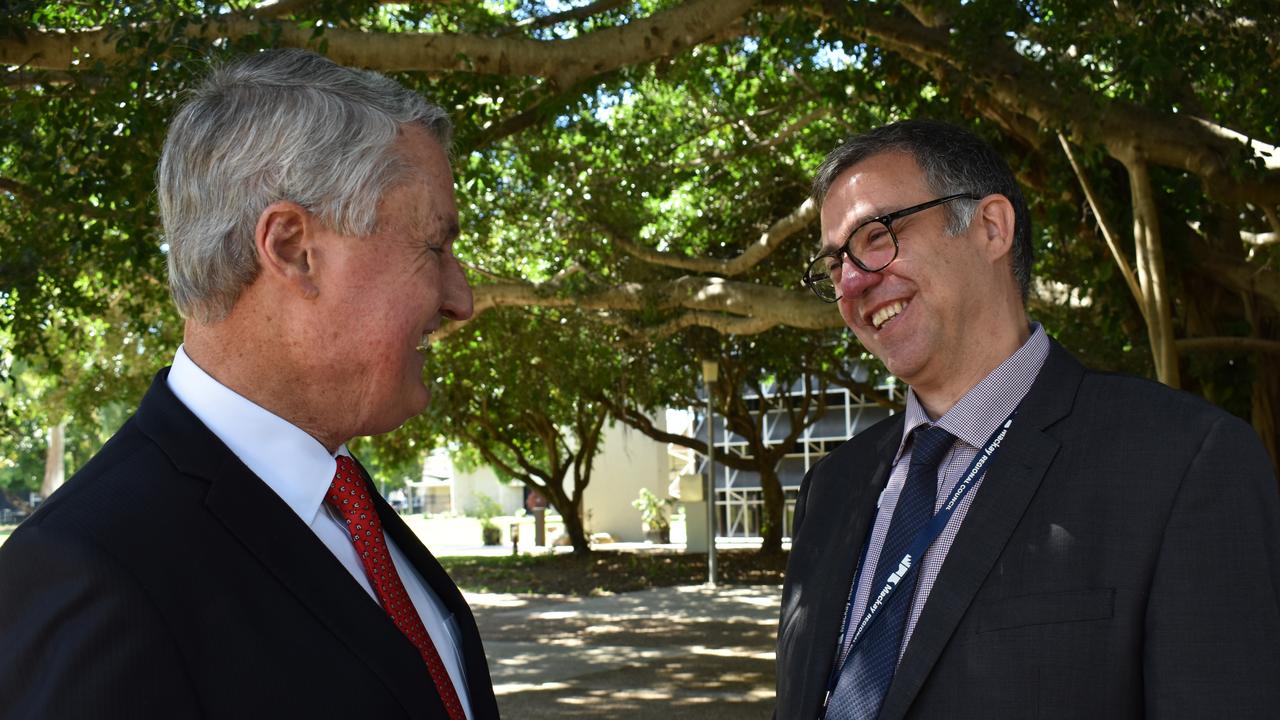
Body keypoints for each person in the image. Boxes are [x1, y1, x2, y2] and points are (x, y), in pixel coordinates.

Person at [0, 49, 500, 719]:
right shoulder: (91, 570)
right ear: (293, 248)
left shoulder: (341, 500)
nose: (461, 299)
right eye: (435, 246)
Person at [776, 119, 1280, 719]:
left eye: (876, 235)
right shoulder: (831, 488)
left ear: (990, 227)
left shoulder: (1184, 464)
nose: (853, 281)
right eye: (834, 265)